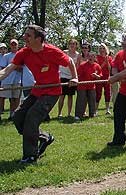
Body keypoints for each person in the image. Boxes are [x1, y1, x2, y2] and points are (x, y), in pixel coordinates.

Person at [0, 25, 78, 163]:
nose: (25, 37)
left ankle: (30, 156)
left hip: (52, 91)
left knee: (32, 117)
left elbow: (70, 61)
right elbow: (7, 70)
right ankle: (45, 137)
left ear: (39, 38)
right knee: (18, 117)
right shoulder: (24, 53)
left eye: (28, 35)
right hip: (37, 90)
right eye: (25, 34)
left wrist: (74, 77)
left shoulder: (52, 51)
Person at [75, 52, 102, 120]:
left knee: (92, 100)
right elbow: (77, 75)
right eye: (89, 56)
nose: (90, 58)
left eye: (92, 56)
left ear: (95, 57)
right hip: (82, 86)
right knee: (81, 100)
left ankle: (92, 114)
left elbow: (100, 76)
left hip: (91, 86)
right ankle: (78, 115)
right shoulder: (82, 65)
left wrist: (96, 76)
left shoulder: (97, 66)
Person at [57, 39, 80, 118]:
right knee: (62, 95)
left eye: (74, 44)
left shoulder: (78, 55)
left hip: (71, 77)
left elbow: (77, 66)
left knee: (70, 96)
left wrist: (74, 77)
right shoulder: (64, 52)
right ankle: (59, 113)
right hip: (63, 76)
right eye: (70, 43)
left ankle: (69, 113)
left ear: (76, 45)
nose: (72, 45)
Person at [0, 39, 21, 120]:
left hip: (18, 80)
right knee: (5, 97)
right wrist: (14, 67)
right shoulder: (6, 56)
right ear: (10, 46)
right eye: (12, 44)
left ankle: (14, 114)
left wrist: (11, 67)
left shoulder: (21, 54)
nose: (13, 46)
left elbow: (21, 68)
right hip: (7, 80)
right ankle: (3, 113)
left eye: (15, 44)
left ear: (17, 45)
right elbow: (3, 68)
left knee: (16, 98)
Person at [95, 43, 113, 115]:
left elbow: (110, 69)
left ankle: (107, 109)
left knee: (107, 93)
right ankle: (96, 110)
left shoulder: (109, 58)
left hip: (106, 78)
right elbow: (98, 68)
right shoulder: (97, 57)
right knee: (98, 93)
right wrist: (104, 62)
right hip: (99, 77)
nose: (102, 50)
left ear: (106, 49)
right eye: (100, 48)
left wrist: (107, 61)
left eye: (103, 48)